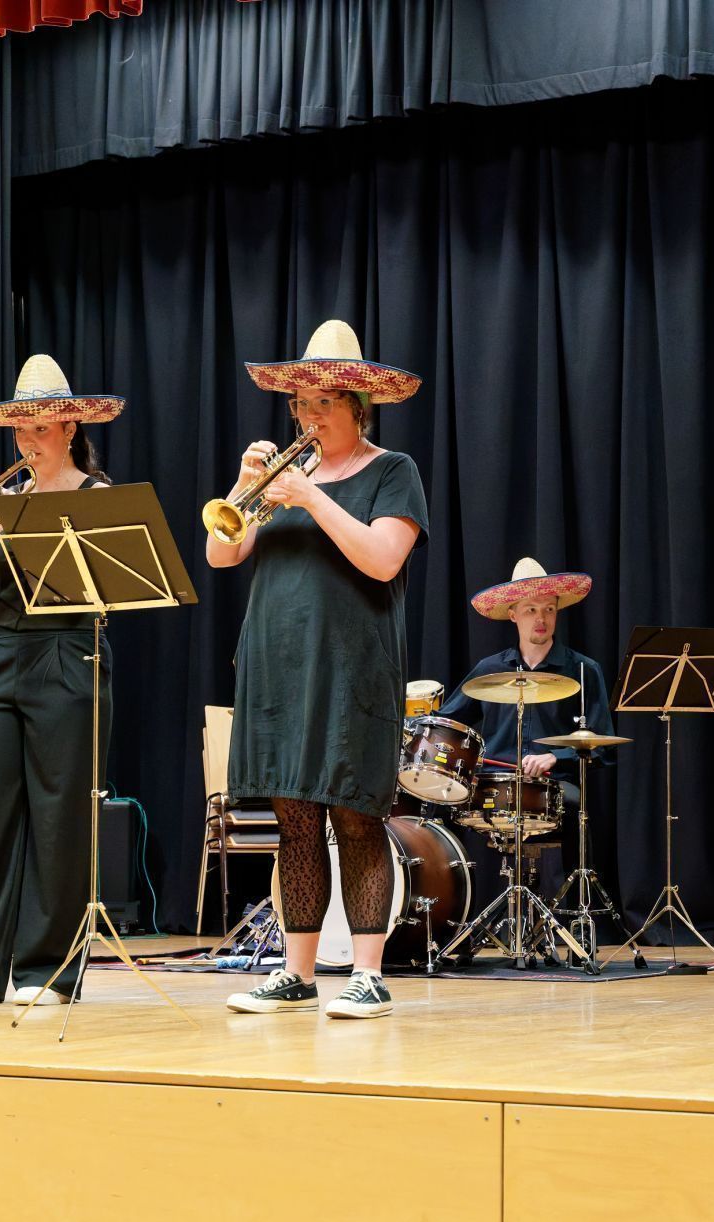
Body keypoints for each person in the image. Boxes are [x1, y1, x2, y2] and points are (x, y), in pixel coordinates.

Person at [210, 319, 427, 1020]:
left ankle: (368, 974)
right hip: (277, 669)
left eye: (324, 403)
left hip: (351, 669)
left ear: (358, 406)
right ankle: (296, 974)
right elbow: (221, 555)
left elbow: (383, 560)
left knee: (356, 817)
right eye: (301, 404)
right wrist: (245, 488)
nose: (309, 416)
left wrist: (310, 498)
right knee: (295, 821)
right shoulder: (282, 479)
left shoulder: (392, 471)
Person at [0, 355, 122, 1008]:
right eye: (20, 430)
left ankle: (46, 970)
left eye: (40, 429)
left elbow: (105, 590)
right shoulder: (6, 500)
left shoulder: (98, 498)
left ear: (70, 428)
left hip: (70, 652)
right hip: (4, 653)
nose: (28, 442)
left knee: (59, 819)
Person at [439, 558, 611, 885]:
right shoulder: (489, 670)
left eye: (549, 609)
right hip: (496, 782)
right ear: (513, 614)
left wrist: (555, 757)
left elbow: (603, 745)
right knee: (448, 807)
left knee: (574, 805)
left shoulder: (583, 670)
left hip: (554, 785)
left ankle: (572, 903)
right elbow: (447, 725)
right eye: (531, 610)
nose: (541, 618)